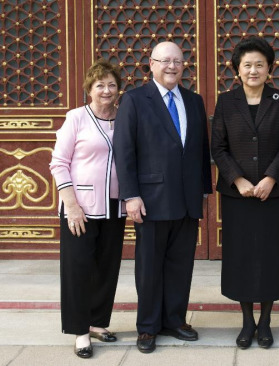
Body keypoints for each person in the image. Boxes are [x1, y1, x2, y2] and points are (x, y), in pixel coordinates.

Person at [113, 41, 212, 354]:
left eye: (178, 61)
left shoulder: (194, 101)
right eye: (165, 61)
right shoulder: (134, 99)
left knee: (181, 264)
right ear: (151, 64)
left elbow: (200, 150)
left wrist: (204, 191)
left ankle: (175, 319)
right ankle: (147, 327)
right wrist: (130, 195)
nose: (172, 67)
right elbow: (124, 150)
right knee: (149, 266)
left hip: (186, 199)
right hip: (150, 199)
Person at [211, 36, 279, 349]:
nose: (253, 70)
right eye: (247, 64)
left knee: (269, 255)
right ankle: (247, 321)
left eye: (260, 64)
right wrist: (238, 180)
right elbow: (218, 147)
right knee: (241, 256)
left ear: (269, 68)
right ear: (237, 69)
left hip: (271, 194)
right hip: (238, 195)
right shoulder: (226, 101)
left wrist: (272, 178)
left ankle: (266, 321)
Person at [50, 59, 126, 359]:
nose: (106, 90)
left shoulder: (125, 117)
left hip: (114, 206)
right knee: (78, 269)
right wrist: (70, 205)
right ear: (89, 90)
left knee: (106, 267)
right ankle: (80, 331)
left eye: (111, 85)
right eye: (100, 85)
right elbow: (59, 162)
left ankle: (97, 322)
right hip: (79, 207)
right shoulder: (76, 118)